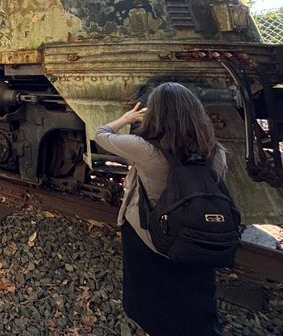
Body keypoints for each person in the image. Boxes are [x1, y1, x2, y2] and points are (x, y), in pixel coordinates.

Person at [95, 82, 226, 336]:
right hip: (196, 232)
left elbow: (101, 134)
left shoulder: (144, 149)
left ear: (155, 113)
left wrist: (127, 117)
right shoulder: (216, 151)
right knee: (192, 289)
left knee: (152, 291)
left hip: (150, 234)